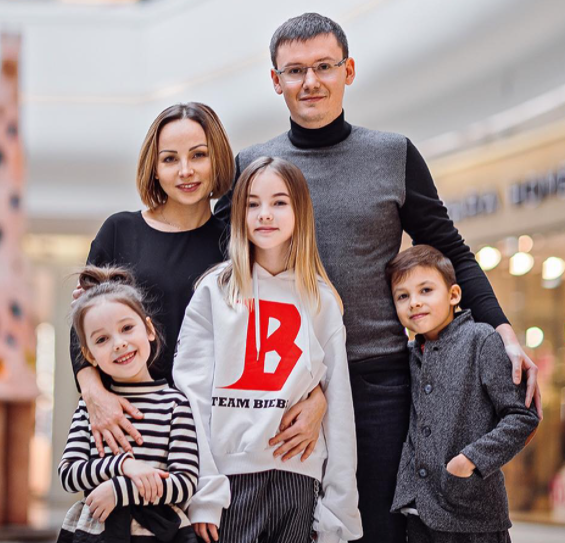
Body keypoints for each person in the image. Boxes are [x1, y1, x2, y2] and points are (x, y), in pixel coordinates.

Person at [214, 12, 541, 543]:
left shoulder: (392, 155)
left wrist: (504, 332)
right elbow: (217, 270)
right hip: (277, 383)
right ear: (276, 81)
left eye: (324, 66)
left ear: (349, 70)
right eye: (295, 71)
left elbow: (450, 249)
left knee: (379, 530)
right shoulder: (253, 168)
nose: (311, 81)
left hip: (378, 383)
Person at [173, 157, 363, 543]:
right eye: (252, 203)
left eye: (279, 202)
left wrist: (338, 512)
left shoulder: (321, 300)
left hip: (298, 481)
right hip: (229, 485)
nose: (265, 214)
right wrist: (204, 491)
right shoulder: (214, 291)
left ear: (300, 212)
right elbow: (192, 400)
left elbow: (339, 408)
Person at [70, 102, 234, 457]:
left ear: (217, 158)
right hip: (127, 423)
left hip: (211, 430)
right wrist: (94, 396)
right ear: (155, 169)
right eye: (170, 159)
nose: (186, 171)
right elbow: (81, 329)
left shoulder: (235, 244)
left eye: (199, 155)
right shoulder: (120, 231)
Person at [386, 245, 539, 543]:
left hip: (473, 516)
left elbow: (522, 416)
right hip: (418, 516)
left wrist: (470, 459)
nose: (414, 303)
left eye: (426, 290)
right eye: (403, 296)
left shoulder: (481, 340)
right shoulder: (408, 354)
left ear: (454, 295)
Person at [58, 266, 200, 543]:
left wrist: (119, 490)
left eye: (126, 328)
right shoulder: (91, 408)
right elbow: (69, 473)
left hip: (159, 533)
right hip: (96, 531)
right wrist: (124, 465)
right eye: (102, 339)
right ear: (91, 355)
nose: (119, 343)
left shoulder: (175, 404)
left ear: (148, 329)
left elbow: (184, 483)